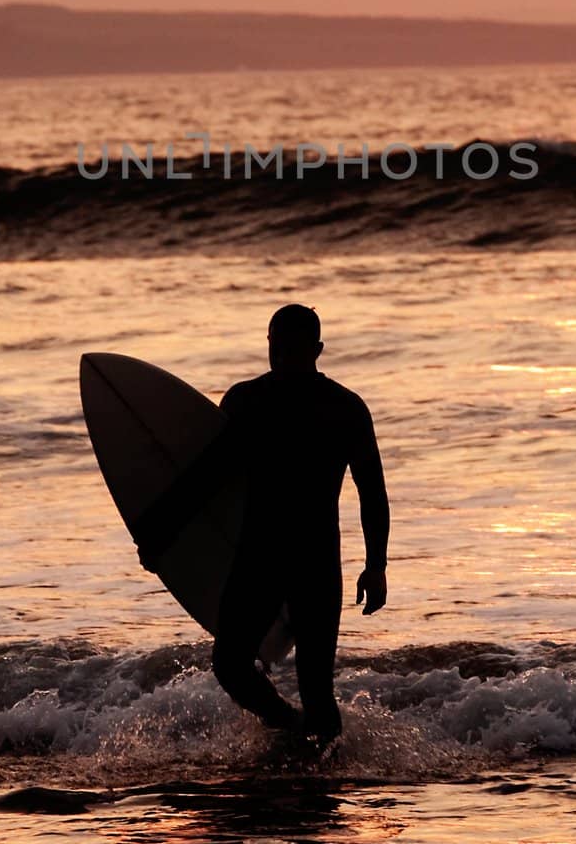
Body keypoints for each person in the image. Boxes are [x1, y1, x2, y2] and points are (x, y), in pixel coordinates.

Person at [133, 304, 389, 745]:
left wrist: (377, 565)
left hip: (311, 562)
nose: (284, 356)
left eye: (293, 348)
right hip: (263, 557)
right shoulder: (248, 402)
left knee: (316, 689)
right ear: (269, 346)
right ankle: (289, 729)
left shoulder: (341, 409)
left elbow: (372, 492)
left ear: (317, 350)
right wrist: (161, 533)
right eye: (278, 347)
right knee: (230, 665)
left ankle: (320, 788)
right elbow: (207, 475)